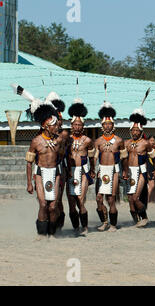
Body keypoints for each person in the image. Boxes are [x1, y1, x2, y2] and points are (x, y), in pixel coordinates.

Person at [14, 84, 66, 239]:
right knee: (43, 204)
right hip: (40, 173)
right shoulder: (36, 141)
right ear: (46, 126)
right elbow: (29, 162)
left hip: (55, 173)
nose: (56, 127)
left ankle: (52, 231)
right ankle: (42, 234)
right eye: (53, 125)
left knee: (53, 205)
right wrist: (30, 182)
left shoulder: (59, 140)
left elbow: (62, 157)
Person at [94, 98, 128, 232]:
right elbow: (95, 158)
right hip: (101, 170)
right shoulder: (98, 141)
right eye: (105, 124)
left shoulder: (119, 141)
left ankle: (113, 225)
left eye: (109, 124)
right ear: (102, 126)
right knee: (98, 198)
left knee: (111, 198)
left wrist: (125, 171)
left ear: (112, 125)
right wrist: (93, 169)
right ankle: (104, 221)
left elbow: (124, 158)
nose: (107, 126)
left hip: (114, 170)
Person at [66, 97, 95, 236]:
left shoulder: (88, 140)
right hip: (70, 172)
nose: (77, 127)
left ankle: (85, 226)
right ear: (71, 125)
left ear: (82, 126)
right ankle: (75, 227)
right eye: (75, 125)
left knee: (80, 201)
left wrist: (93, 170)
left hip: (83, 172)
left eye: (79, 125)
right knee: (72, 204)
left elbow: (91, 158)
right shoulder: (66, 139)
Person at [125, 101, 153, 228]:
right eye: (133, 130)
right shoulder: (127, 143)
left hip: (141, 171)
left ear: (141, 131)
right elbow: (122, 158)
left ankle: (145, 217)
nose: (135, 132)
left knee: (136, 197)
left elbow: (154, 157)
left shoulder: (146, 143)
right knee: (130, 200)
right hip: (130, 172)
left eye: (137, 130)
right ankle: (136, 221)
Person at [46, 92, 69, 230]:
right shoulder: (42, 135)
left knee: (57, 199)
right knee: (45, 199)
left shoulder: (63, 135)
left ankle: (57, 223)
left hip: (60, 168)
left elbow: (61, 152)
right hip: (44, 169)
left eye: (59, 120)